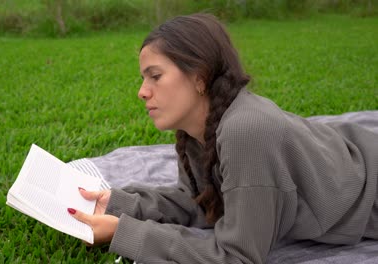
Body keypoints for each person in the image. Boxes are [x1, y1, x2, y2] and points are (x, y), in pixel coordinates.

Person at [67, 13, 378, 263]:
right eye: (143, 78)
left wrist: (125, 233)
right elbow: (201, 205)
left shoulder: (246, 131)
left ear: (199, 76)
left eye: (156, 76)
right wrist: (121, 204)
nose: (142, 91)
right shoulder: (197, 132)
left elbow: (237, 255)